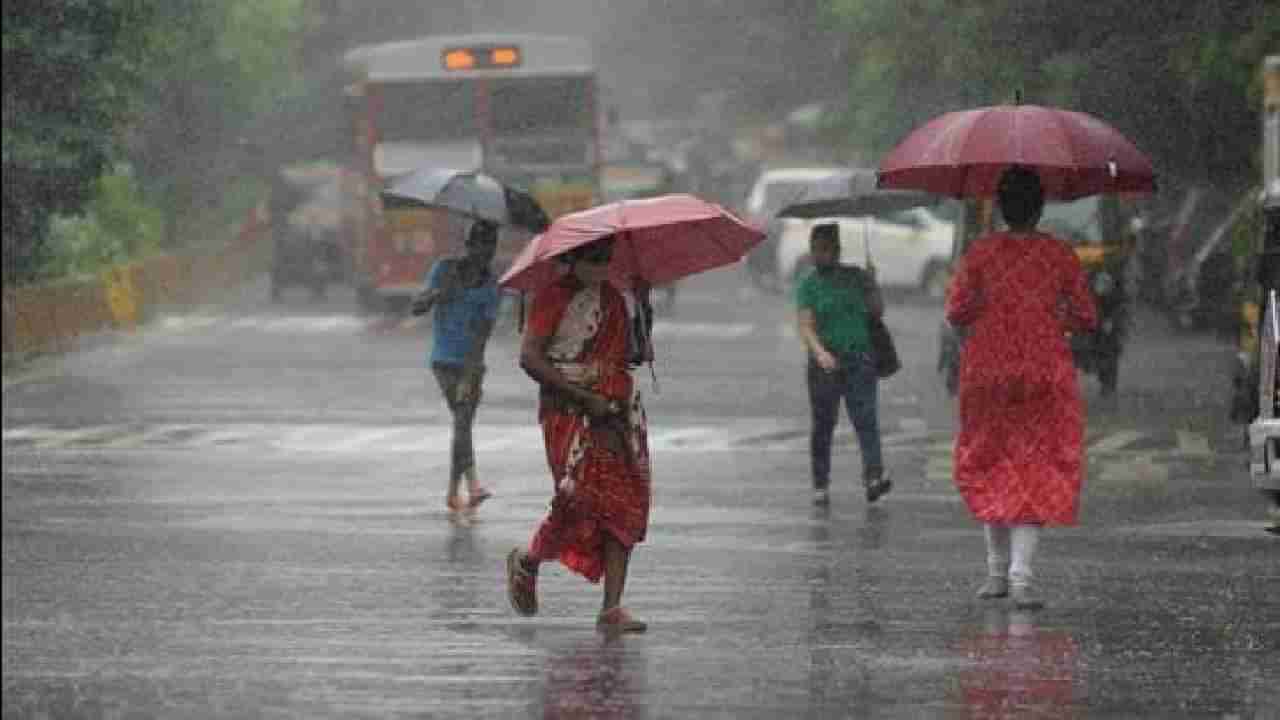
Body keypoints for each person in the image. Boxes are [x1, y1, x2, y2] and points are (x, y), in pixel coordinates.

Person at [945, 165, 1098, 610]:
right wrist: (1052, 320)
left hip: (987, 370)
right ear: (1040, 207)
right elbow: (1087, 316)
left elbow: (957, 312)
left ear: (1000, 207)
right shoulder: (1058, 255)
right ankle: (1022, 578)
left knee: (992, 462)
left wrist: (989, 315)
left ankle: (995, 573)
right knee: (1036, 466)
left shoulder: (980, 253)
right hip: (1044, 369)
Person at [505, 234, 654, 633]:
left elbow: (635, 356)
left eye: (607, 258)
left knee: (625, 504)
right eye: (594, 257)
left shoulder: (616, 300)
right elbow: (530, 358)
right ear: (573, 258)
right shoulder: (552, 297)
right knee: (578, 500)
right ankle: (529, 559)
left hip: (617, 413)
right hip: (569, 412)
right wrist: (583, 397)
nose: (602, 266)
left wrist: (642, 306)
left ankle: (612, 608)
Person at [795, 222, 892, 506]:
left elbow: (877, 311)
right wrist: (820, 352)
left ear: (837, 250)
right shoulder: (809, 284)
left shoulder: (857, 277)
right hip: (824, 364)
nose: (819, 254)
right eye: (815, 249)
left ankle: (874, 476)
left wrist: (873, 284)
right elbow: (805, 325)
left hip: (859, 358)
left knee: (866, 420)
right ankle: (820, 484)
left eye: (825, 249)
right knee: (823, 424)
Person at [411, 220, 501, 516]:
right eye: (481, 246)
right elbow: (417, 307)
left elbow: (483, 333)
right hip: (444, 360)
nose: (485, 254)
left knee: (462, 424)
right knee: (462, 421)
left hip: (471, 364)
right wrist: (437, 294)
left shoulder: (490, 284)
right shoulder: (445, 269)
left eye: (491, 248)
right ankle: (472, 485)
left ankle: (453, 492)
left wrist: (470, 374)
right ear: (470, 245)